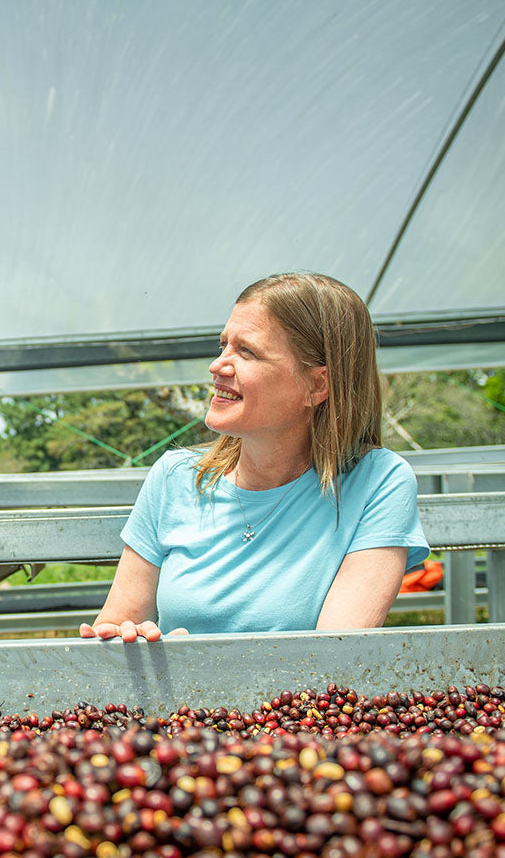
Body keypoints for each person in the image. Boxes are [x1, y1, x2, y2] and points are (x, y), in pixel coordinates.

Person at [81, 272, 429, 640]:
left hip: (298, 700)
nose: (217, 366)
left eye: (246, 351)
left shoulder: (379, 481)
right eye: (223, 345)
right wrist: (125, 640)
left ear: (316, 385)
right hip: (177, 698)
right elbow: (117, 625)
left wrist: (198, 664)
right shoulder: (173, 477)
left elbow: (335, 660)